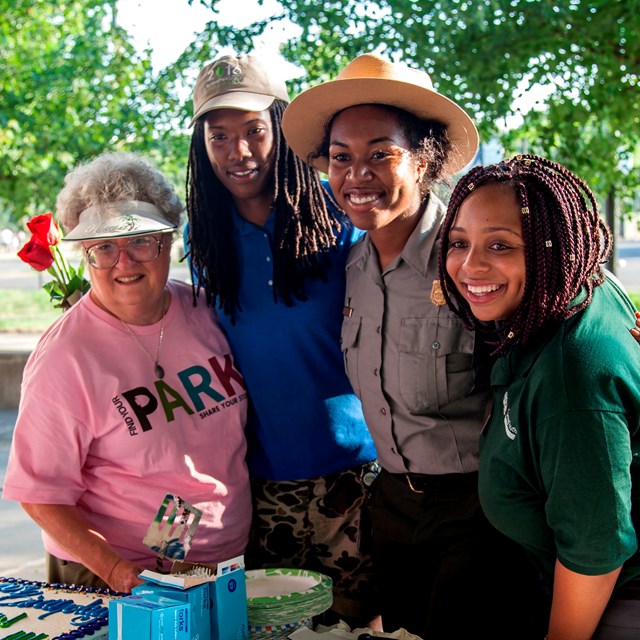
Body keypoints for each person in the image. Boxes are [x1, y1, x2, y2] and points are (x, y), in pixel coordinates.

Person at [281, 53, 542, 638]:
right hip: (393, 509)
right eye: (341, 159)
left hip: (479, 514)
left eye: (381, 154)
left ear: (424, 161)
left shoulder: (472, 258)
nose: (357, 175)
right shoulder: (349, 268)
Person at [184, 53, 380, 627]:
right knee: (274, 632)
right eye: (219, 136)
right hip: (260, 481)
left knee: (355, 626)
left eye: (254, 131)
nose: (237, 152)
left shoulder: (336, 207)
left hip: (356, 474)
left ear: (282, 127)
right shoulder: (205, 235)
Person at [2, 151, 251, 594]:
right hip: (118, 573)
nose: (124, 261)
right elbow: (40, 494)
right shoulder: (66, 356)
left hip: (223, 562)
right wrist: (121, 575)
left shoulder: (204, 310)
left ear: (168, 241)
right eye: (103, 248)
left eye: (141, 241)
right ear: (84, 254)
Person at [438, 154, 640, 639]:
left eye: (501, 245)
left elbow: (595, 546)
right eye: (459, 242)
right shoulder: (572, 293)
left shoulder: (573, 373)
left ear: (557, 250)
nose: (470, 266)